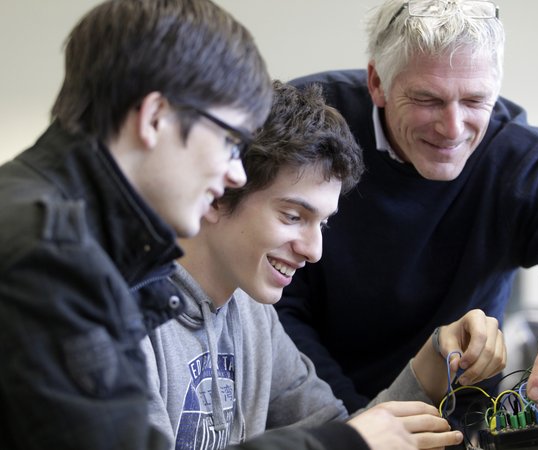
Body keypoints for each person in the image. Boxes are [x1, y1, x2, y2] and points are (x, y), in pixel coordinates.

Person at [275, 0, 538, 430]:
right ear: (378, 83)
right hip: (303, 413)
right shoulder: (309, 128)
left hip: (452, 426)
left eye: (475, 99)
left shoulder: (519, 161)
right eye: (428, 99)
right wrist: (354, 426)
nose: (453, 128)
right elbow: (274, 310)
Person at [142, 80, 506, 450]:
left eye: (323, 222)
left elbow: (347, 434)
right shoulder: (120, 316)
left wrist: (431, 365)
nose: (314, 250)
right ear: (218, 194)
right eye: (292, 216)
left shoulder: (253, 315)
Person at [0, 0, 275, 448]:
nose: (237, 174)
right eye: (230, 141)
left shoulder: (37, 218)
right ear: (154, 117)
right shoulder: (49, 254)